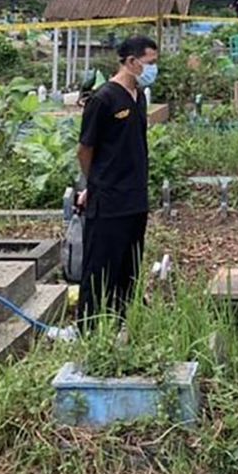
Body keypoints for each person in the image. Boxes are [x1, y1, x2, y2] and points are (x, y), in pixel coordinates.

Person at [76, 35, 159, 326]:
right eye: (150, 62)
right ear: (132, 62)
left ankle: (122, 318)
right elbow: (85, 149)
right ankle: (88, 326)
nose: (153, 69)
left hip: (135, 196)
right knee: (100, 264)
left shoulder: (138, 98)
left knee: (129, 263)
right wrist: (94, 183)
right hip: (108, 197)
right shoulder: (103, 99)